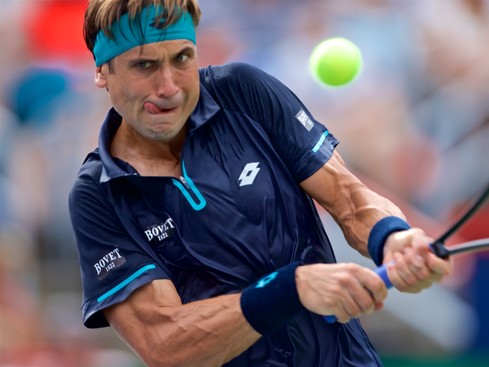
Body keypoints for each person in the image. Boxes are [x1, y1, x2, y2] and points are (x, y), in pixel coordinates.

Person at [68, 1, 452, 366]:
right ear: (103, 72)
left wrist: (391, 237)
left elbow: (349, 197)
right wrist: (289, 289)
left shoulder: (245, 93)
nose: (168, 86)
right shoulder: (97, 195)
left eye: (182, 57)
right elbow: (165, 344)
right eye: (144, 65)